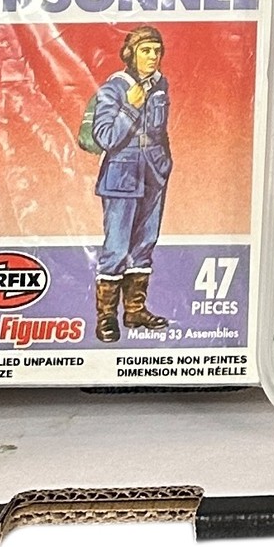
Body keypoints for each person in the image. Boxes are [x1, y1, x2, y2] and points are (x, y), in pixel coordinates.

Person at [85, 26, 174, 341]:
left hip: (153, 175)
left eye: (156, 51)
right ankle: (106, 318)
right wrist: (130, 107)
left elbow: (160, 132)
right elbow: (106, 137)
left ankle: (135, 310)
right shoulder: (114, 88)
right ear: (131, 54)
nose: (153, 57)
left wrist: (164, 164)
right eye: (145, 50)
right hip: (121, 177)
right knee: (117, 248)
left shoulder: (160, 84)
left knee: (144, 244)